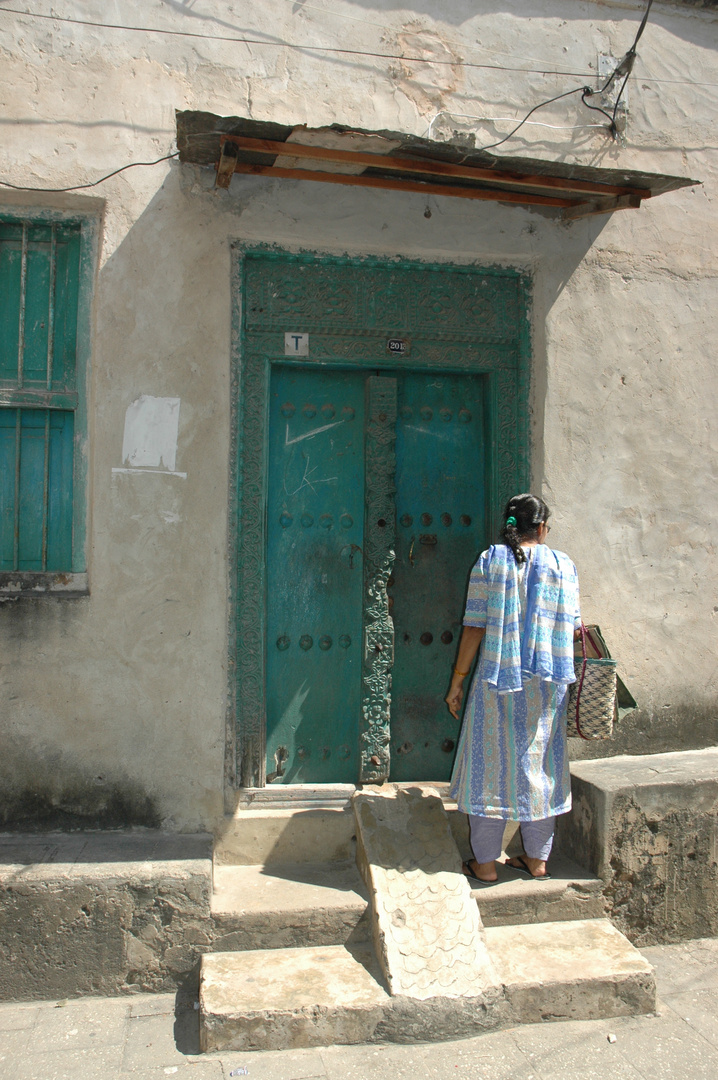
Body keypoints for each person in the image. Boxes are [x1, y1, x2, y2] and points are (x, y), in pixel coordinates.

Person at [446, 493, 581, 883]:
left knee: (489, 767)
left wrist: (457, 682)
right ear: (541, 528)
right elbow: (572, 627)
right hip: (548, 683)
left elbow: (474, 626)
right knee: (542, 766)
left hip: (496, 681)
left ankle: (485, 865)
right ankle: (537, 860)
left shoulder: (491, 561)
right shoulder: (564, 565)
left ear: (510, 526)